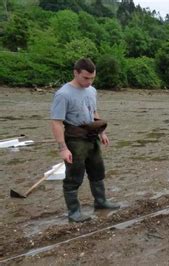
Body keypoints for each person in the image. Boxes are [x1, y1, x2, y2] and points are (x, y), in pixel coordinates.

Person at [50, 58, 120, 223]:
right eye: (86, 78)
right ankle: (74, 213)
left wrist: (102, 132)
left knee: (97, 171)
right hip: (74, 140)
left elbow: (93, 111)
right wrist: (63, 148)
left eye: (92, 78)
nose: (89, 82)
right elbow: (56, 122)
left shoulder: (92, 91)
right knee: (74, 177)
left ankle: (101, 202)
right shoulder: (63, 94)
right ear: (76, 73)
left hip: (92, 137)